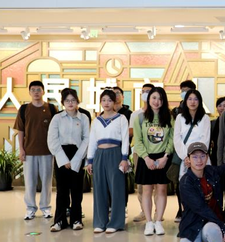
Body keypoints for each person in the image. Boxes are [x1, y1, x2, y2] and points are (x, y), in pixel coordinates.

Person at [178, 142, 225, 242]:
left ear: (207, 157)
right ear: (188, 159)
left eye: (202, 156)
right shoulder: (186, 182)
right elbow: (201, 208)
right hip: (192, 226)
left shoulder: (211, 172)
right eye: (195, 157)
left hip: (209, 224)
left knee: (213, 229)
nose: (199, 160)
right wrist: (223, 226)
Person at [86, 89, 130, 233]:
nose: (106, 103)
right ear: (100, 102)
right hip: (99, 155)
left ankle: (115, 223)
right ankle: (100, 222)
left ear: (114, 102)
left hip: (115, 154)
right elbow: (92, 141)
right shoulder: (96, 121)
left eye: (109, 100)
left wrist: (124, 158)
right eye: (104, 100)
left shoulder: (121, 118)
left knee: (117, 189)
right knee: (99, 189)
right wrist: (90, 160)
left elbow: (125, 139)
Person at [133, 87, 175, 236]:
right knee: (147, 190)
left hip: (163, 157)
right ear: (149, 99)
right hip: (146, 158)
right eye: (154, 98)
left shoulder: (169, 118)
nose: (157, 101)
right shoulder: (140, 118)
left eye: (160, 99)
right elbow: (137, 140)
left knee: (162, 190)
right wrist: (146, 158)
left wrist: (165, 156)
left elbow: (171, 139)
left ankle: (158, 221)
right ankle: (149, 222)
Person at [14, 80, 58, 220]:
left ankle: (46, 208)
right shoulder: (24, 109)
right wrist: (21, 149)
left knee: (46, 182)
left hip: (47, 152)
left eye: (38, 89)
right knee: (30, 182)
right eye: (33, 90)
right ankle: (30, 208)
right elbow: (21, 130)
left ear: (43, 91)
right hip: (29, 152)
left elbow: (56, 130)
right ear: (29, 92)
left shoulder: (51, 108)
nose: (36, 92)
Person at [47, 88, 90, 232]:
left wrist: (77, 159)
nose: (70, 103)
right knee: (62, 190)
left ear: (77, 101)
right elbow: (52, 139)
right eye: (67, 100)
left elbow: (87, 139)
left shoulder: (84, 118)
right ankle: (59, 221)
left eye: (73, 100)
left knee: (77, 190)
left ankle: (76, 219)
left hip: (78, 153)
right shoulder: (57, 118)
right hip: (61, 154)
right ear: (63, 102)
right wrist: (63, 159)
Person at [173, 89, 211, 222]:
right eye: (190, 99)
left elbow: (205, 139)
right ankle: (187, 217)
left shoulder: (205, 118)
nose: (192, 102)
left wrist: (197, 157)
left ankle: (204, 217)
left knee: (203, 188)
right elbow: (177, 139)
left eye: (195, 99)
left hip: (201, 159)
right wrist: (186, 157)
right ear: (185, 101)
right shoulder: (180, 117)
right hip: (185, 159)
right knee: (186, 188)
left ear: (200, 101)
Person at [129, 83, 155, 222]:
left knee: (158, 184)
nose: (145, 93)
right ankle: (144, 211)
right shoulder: (136, 114)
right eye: (143, 91)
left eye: (148, 91)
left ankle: (157, 212)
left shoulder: (160, 113)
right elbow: (131, 132)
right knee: (141, 183)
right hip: (139, 152)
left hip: (156, 151)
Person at [209, 96, 225, 166]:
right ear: (217, 108)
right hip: (215, 154)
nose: (222, 108)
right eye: (219, 106)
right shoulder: (212, 123)